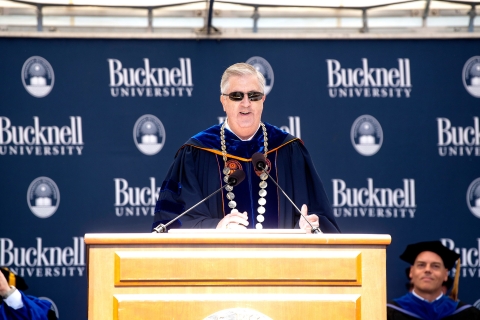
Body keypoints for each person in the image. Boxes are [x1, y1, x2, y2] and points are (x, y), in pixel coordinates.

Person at [152, 62, 340, 233]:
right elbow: (171, 222)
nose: (246, 103)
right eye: (236, 96)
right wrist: (216, 227)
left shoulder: (288, 151)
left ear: (263, 100)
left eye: (254, 95)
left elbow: (320, 218)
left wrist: (308, 228)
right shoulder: (196, 153)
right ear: (223, 102)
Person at [387, 241, 480, 319]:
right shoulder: (389, 312)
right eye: (421, 265)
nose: (427, 270)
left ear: (445, 275)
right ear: (411, 272)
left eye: (435, 266)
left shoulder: (468, 314)